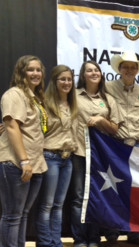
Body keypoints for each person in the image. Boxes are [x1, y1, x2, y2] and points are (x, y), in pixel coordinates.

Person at [70, 61, 122, 247]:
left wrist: (101, 120)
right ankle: (79, 239)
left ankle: (93, 238)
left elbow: (115, 129)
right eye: (89, 70)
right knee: (78, 198)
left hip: (100, 157)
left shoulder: (109, 99)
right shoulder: (73, 96)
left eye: (96, 70)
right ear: (83, 75)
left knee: (96, 197)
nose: (93, 73)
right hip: (79, 152)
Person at [104, 51, 139, 247]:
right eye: (126, 67)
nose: (129, 70)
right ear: (119, 69)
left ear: (137, 70)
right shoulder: (107, 88)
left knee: (136, 192)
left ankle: (134, 232)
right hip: (115, 146)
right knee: (113, 189)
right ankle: (112, 233)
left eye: (133, 67)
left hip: (137, 146)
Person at [0, 55, 48, 246]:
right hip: (17, 163)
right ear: (21, 72)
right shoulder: (15, 94)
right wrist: (24, 161)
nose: (35, 73)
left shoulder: (34, 97)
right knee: (12, 215)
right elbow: (12, 127)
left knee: (23, 214)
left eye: (38, 69)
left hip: (36, 163)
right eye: (30, 69)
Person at [35, 65, 78, 247]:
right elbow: (34, 129)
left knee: (59, 205)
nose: (66, 83)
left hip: (67, 159)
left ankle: (56, 242)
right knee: (47, 205)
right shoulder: (44, 103)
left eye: (69, 79)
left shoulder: (74, 103)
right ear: (54, 81)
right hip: (50, 157)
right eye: (62, 79)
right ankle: (45, 243)